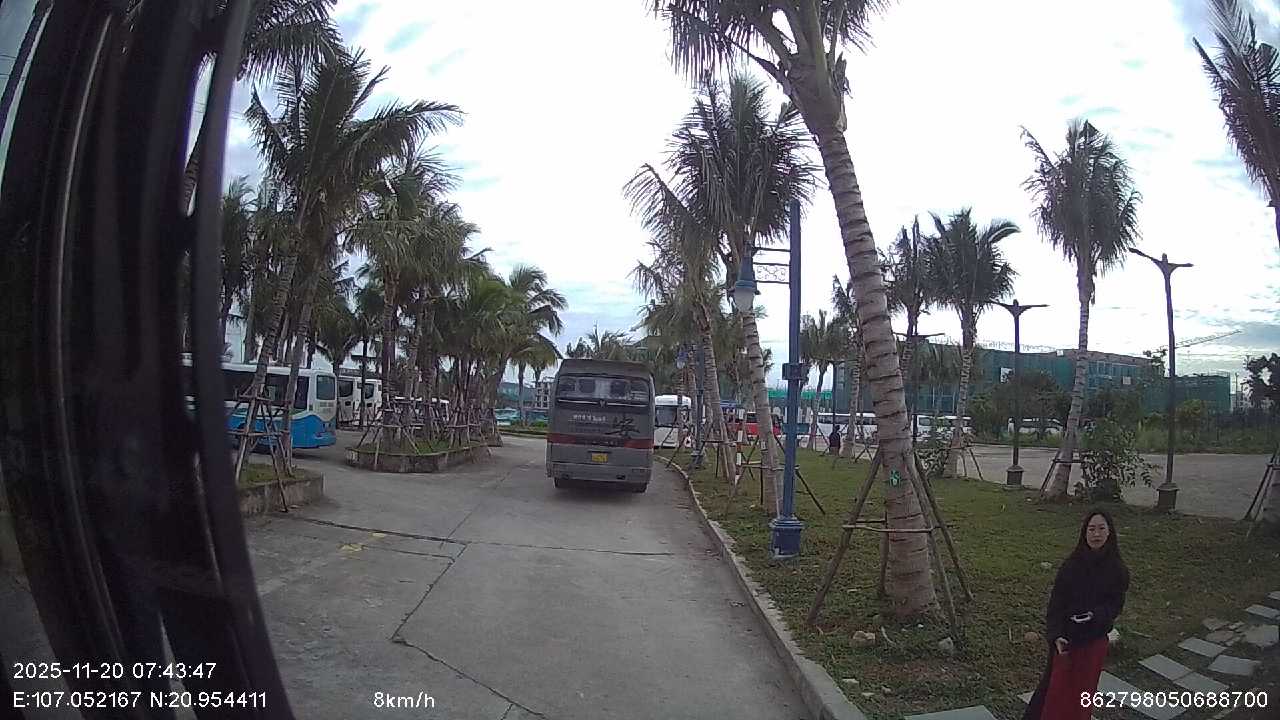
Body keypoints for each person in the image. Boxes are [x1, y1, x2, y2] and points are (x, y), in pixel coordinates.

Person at [1023, 509, 1130, 720]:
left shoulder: (1117, 569)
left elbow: (1115, 605)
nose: (1096, 534)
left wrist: (1095, 616)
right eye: (1091, 529)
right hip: (1066, 641)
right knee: (1052, 692)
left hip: (1093, 642)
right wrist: (1056, 635)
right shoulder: (1071, 566)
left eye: (1101, 529)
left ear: (1109, 532)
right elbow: (1056, 604)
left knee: (1082, 695)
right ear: (1084, 533)